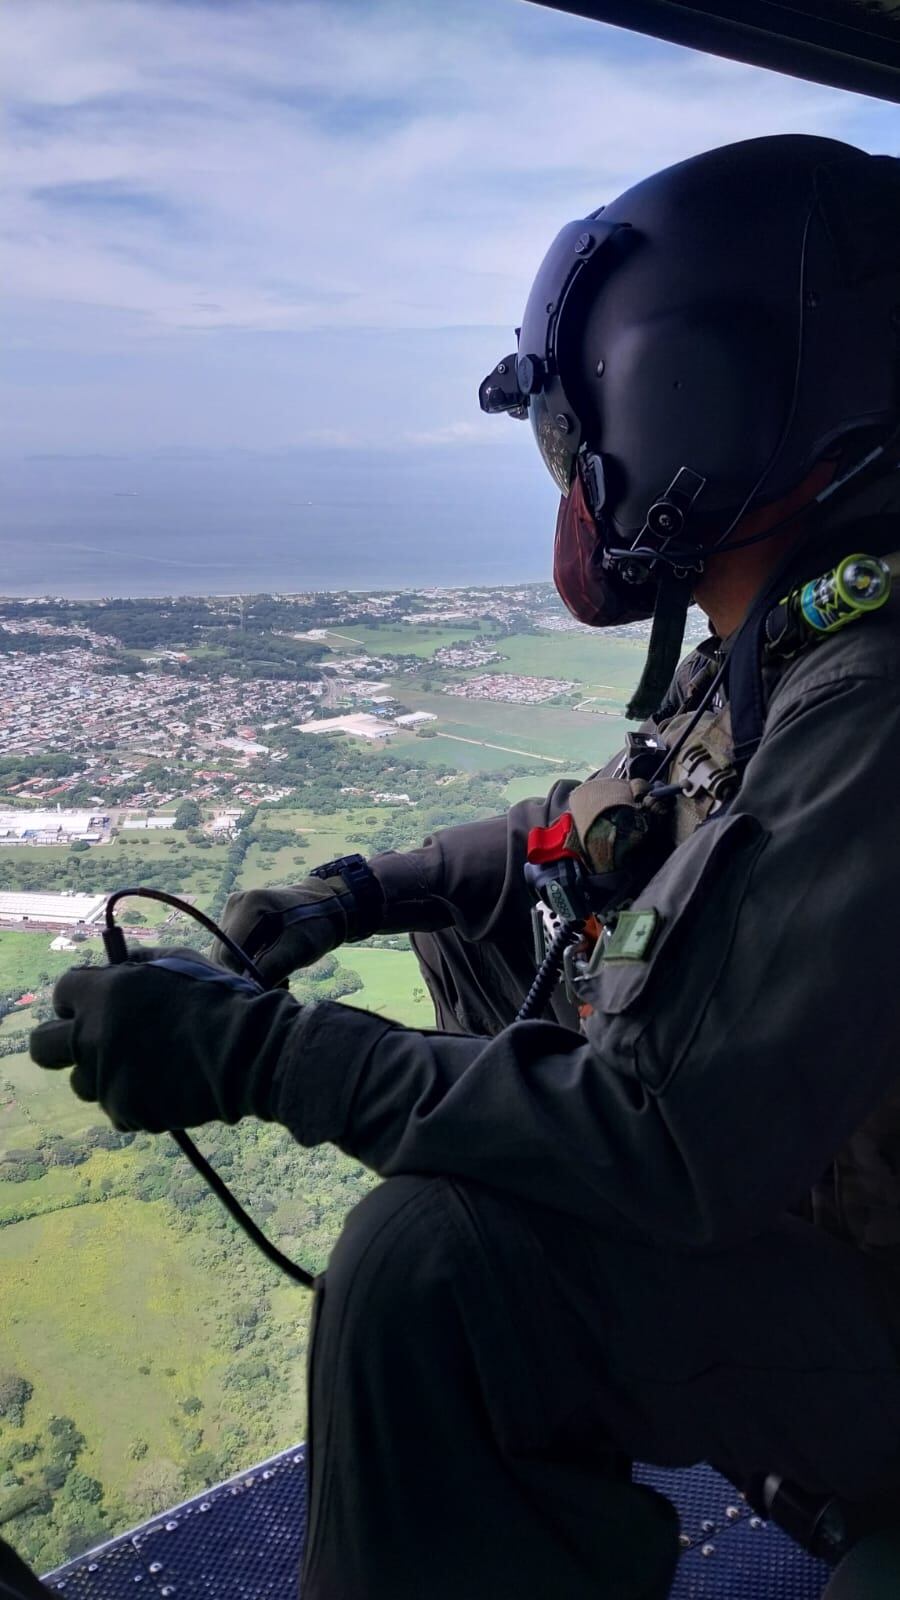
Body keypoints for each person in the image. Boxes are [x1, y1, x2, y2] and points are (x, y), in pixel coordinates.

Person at [30, 135, 900, 1600]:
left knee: (432, 1269)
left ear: (695, 404)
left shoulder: (872, 697)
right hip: (818, 1193)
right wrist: (357, 894)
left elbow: (673, 1142)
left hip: (871, 1298)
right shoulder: (801, 633)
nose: (581, 479)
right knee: (496, 920)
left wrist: (263, 1056)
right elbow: (587, 835)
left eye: (585, 433)